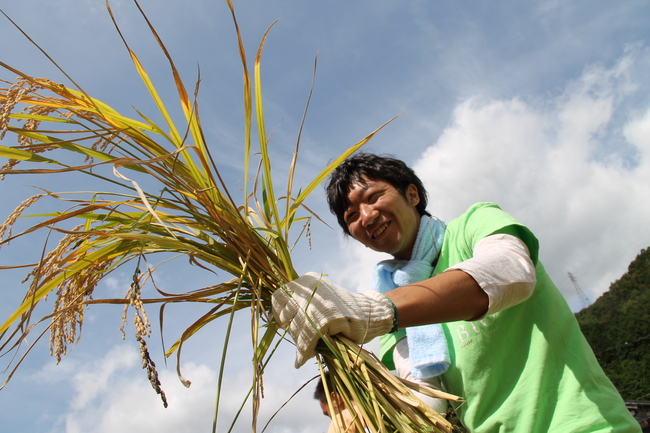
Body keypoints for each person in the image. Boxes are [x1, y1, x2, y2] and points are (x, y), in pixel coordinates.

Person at [273, 153, 641, 432]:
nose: (365, 216)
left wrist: (376, 310)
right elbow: (430, 403)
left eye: (373, 196)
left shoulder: (472, 226)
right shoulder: (390, 303)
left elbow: (510, 272)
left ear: (412, 194)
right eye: (350, 216)